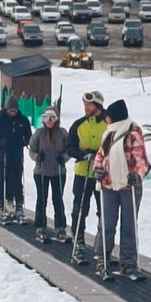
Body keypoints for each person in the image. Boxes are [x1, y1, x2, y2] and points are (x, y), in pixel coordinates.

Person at [90, 100, 151, 280]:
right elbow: (100, 155)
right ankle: (103, 256)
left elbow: (141, 160)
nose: (106, 119)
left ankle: (128, 262)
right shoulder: (109, 133)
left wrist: (137, 175)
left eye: (108, 116)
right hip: (109, 184)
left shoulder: (132, 134)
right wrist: (97, 169)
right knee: (107, 222)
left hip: (128, 186)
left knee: (128, 225)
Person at [65, 91, 106, 259]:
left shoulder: (107, 123)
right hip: (83, 172)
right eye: (85, 105)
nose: (86, 108)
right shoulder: (78, 125)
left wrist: (99, 154)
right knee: (80, 208)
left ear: (98, 105)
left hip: (102, 174)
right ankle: (79, 239)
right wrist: (82, 154)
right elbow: (69, 147)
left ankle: (102, 244)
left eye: (89, 105)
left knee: (103, 210)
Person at [0, 97, 32, 223]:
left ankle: (17, 205)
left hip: (16, 154)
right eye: (11, 110)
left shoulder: (23, 120)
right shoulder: (0, 120)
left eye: (15, 110)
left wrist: (25, 141)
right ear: (7, 109)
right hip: (2, 155)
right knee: (0, 180)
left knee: (16, 181)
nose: (13, 112)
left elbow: (29, 136)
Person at [28, 107, 69, 242]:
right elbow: (32, 150)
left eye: (52, 118)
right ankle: (40, 227)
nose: (49, 121)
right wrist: (37, 157)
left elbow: (69, 149)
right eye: (46, 118)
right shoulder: (39, 133)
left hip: (58, 171)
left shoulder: (62, 133)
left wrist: (63, 158)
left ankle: (60, 227)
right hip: (42, 171)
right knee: (42, 199)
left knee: (58, 199)